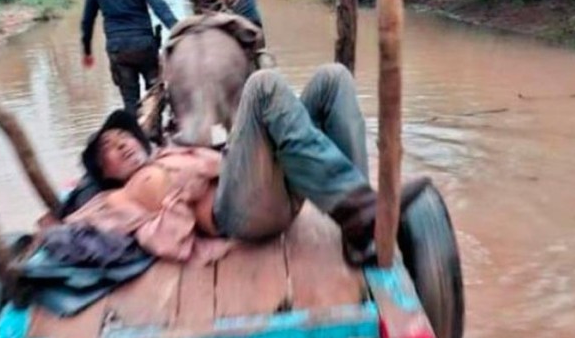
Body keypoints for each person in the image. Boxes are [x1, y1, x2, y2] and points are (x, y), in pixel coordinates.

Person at [62, 64, 428, 264]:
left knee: (333, 79)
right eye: (109, 146)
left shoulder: (167, 152)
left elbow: (219, 153)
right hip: (237, 215)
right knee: (262, 85)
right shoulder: (119, 195)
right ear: (103, 172)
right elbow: (79, 225)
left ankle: (358, 222)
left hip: (268, 186)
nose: (122, 142)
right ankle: (363, 213)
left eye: (123, 136)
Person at [81, 0, 179, 114]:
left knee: (130, 102)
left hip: (118, 50)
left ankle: (137, 133)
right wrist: (179, 30)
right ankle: (159, 131)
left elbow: (87, 20)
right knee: (156, 93)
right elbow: (160, 7)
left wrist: (87, 51)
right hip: (144, 46)